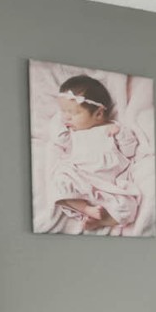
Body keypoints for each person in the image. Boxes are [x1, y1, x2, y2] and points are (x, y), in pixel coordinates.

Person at [42, 74, 146, 234]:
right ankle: (86, 209)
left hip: (109, 186)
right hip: (81, 180)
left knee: (129, 207)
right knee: (59, 181)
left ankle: (101, 220)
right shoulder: (71, 134)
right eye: (63, 111)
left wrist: (120, 134)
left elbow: (129, 151)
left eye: (73, 113)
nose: (66, 117)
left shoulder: (113, 129)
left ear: (98, 114)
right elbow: (58, 138)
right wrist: (61, 117)